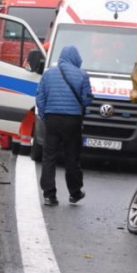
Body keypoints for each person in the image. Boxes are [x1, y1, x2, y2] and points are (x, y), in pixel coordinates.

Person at [36, 45, 93, 206]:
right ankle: (75, 193)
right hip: (73, 121)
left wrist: (44, 115)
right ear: (76, 58)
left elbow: (40, 97)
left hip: (52, 118)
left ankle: (49, 195)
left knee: (49, 157)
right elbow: (87, 100)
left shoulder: (48, 74)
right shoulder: (82, 75)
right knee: (72, 157)